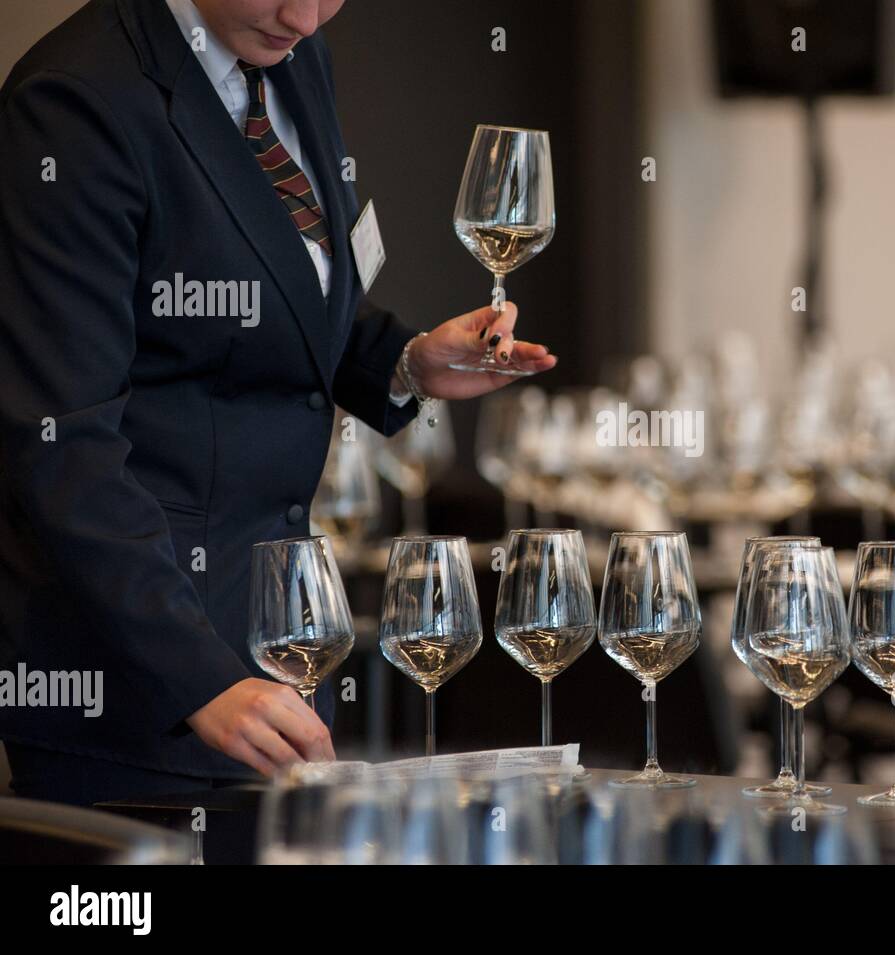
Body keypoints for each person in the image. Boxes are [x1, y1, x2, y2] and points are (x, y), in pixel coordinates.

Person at [0, 0, 556, 805]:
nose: (304, 15)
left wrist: (401, 361)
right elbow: (58, 445)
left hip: (283, 667)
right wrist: (201, 678)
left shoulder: (288, 50)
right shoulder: (74, 102)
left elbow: (275, 293)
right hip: (143, 696)